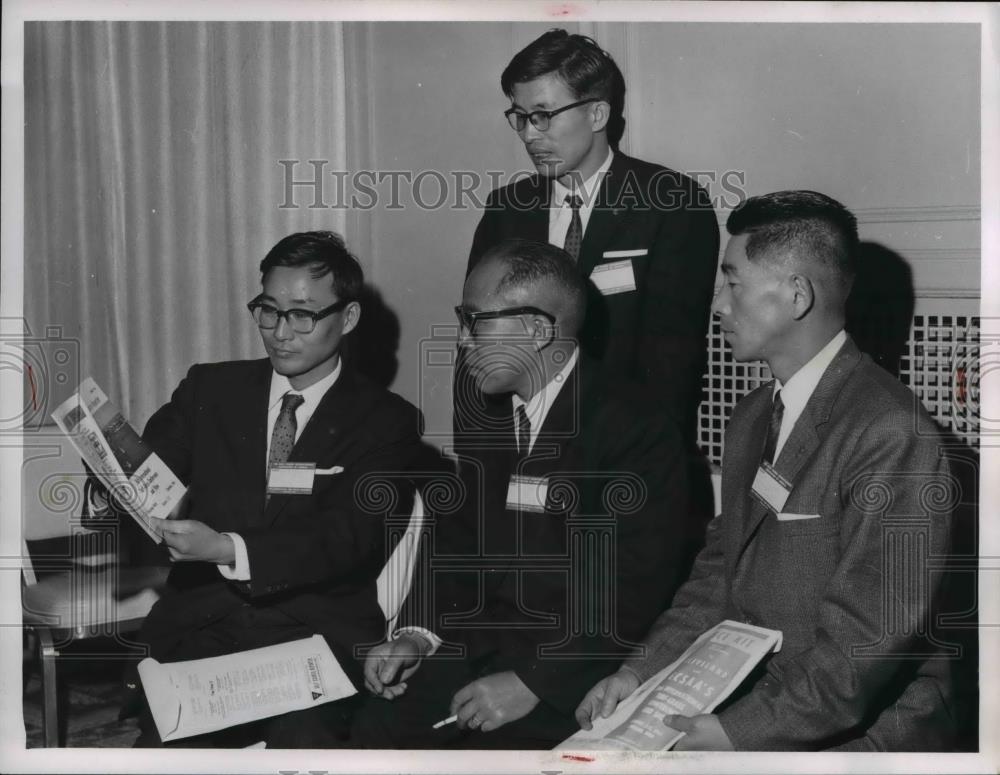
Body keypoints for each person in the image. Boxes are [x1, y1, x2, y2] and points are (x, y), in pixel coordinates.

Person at [575, 191, 957, 751]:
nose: (719, 305)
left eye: (733, 282)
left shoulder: (891, 431)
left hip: (867, 733)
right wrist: (638, 673)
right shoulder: (754, 414)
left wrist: (735, 733)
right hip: (766, 697)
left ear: (797, 295)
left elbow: (865, 646)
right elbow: (720, 572)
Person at [348, 239, 697, 749]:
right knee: (372, 732)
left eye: (476, 321)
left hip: (571, 669)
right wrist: (416, 634)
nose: (463, 342)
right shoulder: (486, 407)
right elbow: (458, 540)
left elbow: (631, 589)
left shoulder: (634, 426)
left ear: (537, 330)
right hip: (481, 646)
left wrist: (532, 682)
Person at [109, 231, 425, 747]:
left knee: (302, 751)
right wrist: (111, 482)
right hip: (204, 626)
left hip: (314, 636)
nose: (280, 332)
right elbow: (150, 470)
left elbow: (347, 538)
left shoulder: (387, 422)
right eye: (267, 310)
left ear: (347, 319)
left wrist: (225, 548)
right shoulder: (209, 389)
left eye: (303, 314)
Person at [464, 29, 720, 445]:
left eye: (544, 115)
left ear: (598, 115)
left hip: (625, 449)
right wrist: (482, 462)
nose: (529, 134)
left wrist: (649, 470)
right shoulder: (506, 210)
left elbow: (673, 363)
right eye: (520, 116)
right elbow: (475, 341)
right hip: (520, 443)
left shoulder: (672, 203)